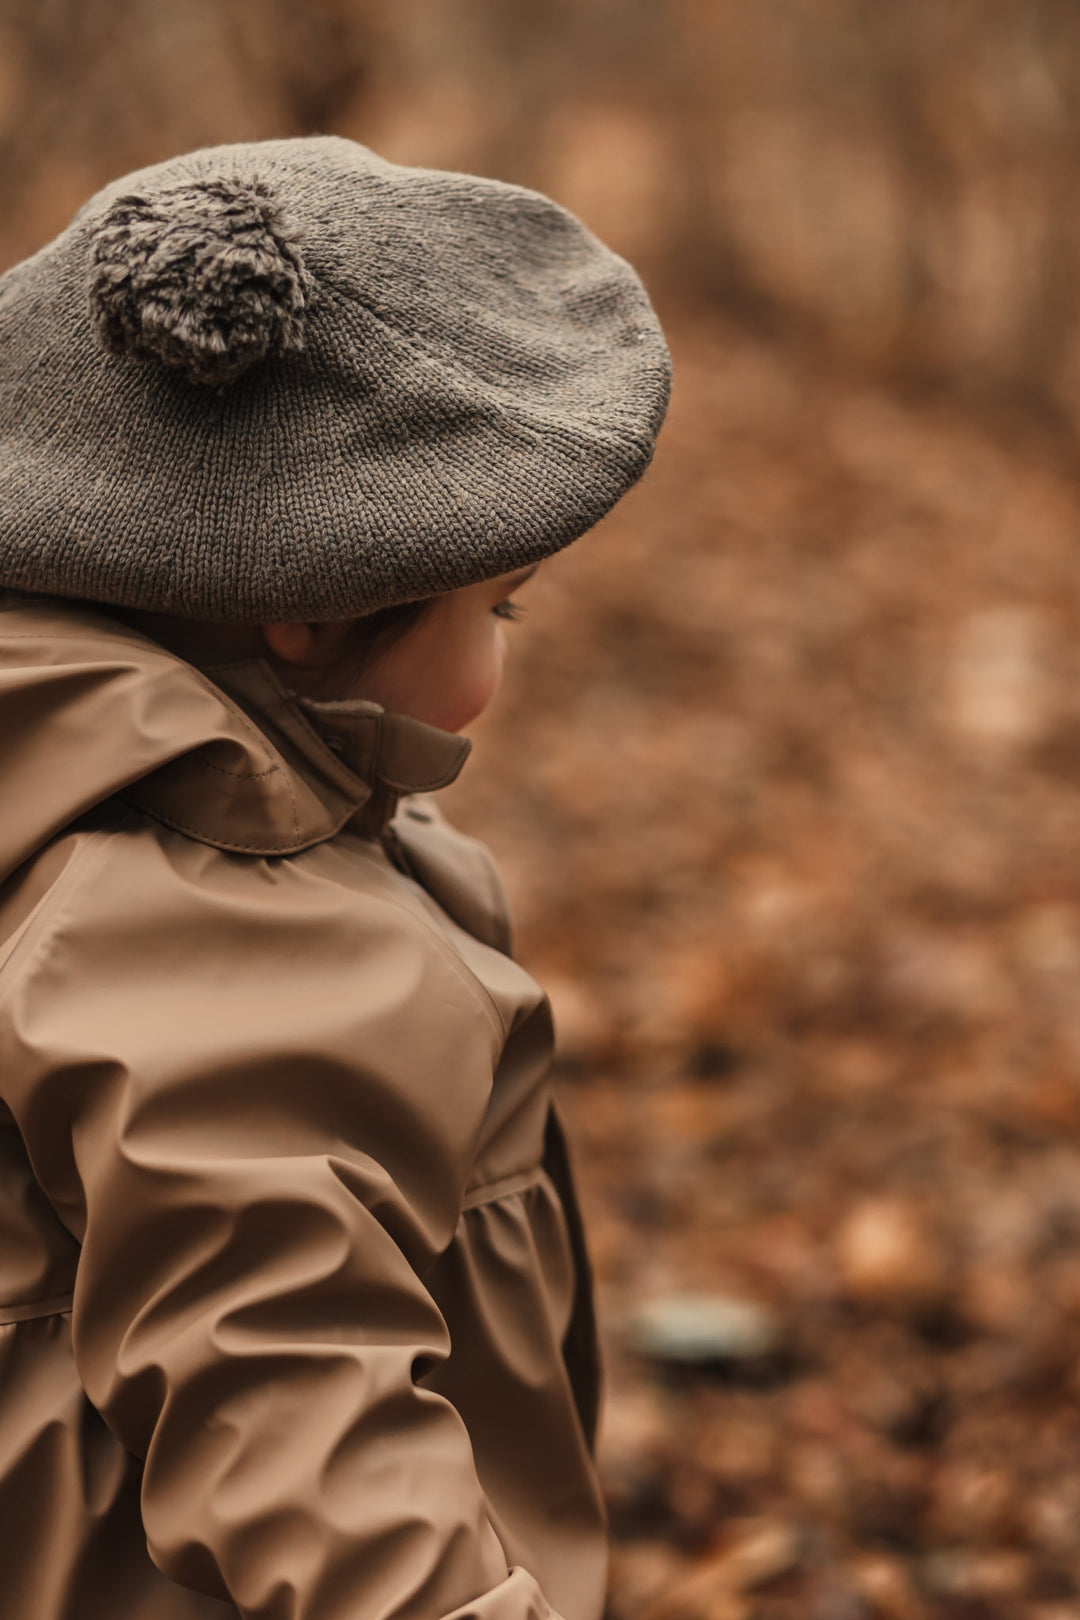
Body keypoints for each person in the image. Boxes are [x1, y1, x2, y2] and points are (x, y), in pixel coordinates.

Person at [0, 136, 670, 1620]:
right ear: (306, 613)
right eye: (502, 605)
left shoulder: (46, 758)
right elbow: (289, 1391)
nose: (502, 654)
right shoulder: (202, 895)